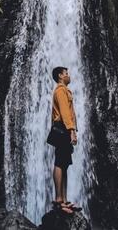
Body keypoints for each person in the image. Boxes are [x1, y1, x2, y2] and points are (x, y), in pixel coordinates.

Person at [50, 66, 82, 215]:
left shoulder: (64, 90)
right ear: (60, 76)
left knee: (64, 164)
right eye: (66, 73)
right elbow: (64, 113)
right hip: (63, 129)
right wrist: (72, 131)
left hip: (64, 129)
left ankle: (64, 199)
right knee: (59, 162)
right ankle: (58, 200)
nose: (69, 75)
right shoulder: (61, 91)